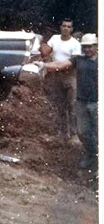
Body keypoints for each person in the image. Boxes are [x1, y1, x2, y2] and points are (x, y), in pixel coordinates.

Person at [39, 34, 98, 174]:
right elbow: (60, 64)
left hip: (97, 102)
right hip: (82, 102)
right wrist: (44, 65)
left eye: (90, 46)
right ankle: (92, 156)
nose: (87, 49)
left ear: (96, 46)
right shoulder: (78, 59)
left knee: (98, 133)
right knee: (83, 133)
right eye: (85, 47)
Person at [43, 18, 82, 138]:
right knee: (59, 105)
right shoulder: (55, 39)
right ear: (60, 27)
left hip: (69, 76)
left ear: (72, 29)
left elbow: (72, 63)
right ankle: (61, 133)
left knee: (72, 105)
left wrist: (51, 66)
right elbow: (45, 51)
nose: (66, 28)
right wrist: (42, 44)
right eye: (64, 26)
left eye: (68, 26)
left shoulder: (75, 44)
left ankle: (74, 134)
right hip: (56, 76)